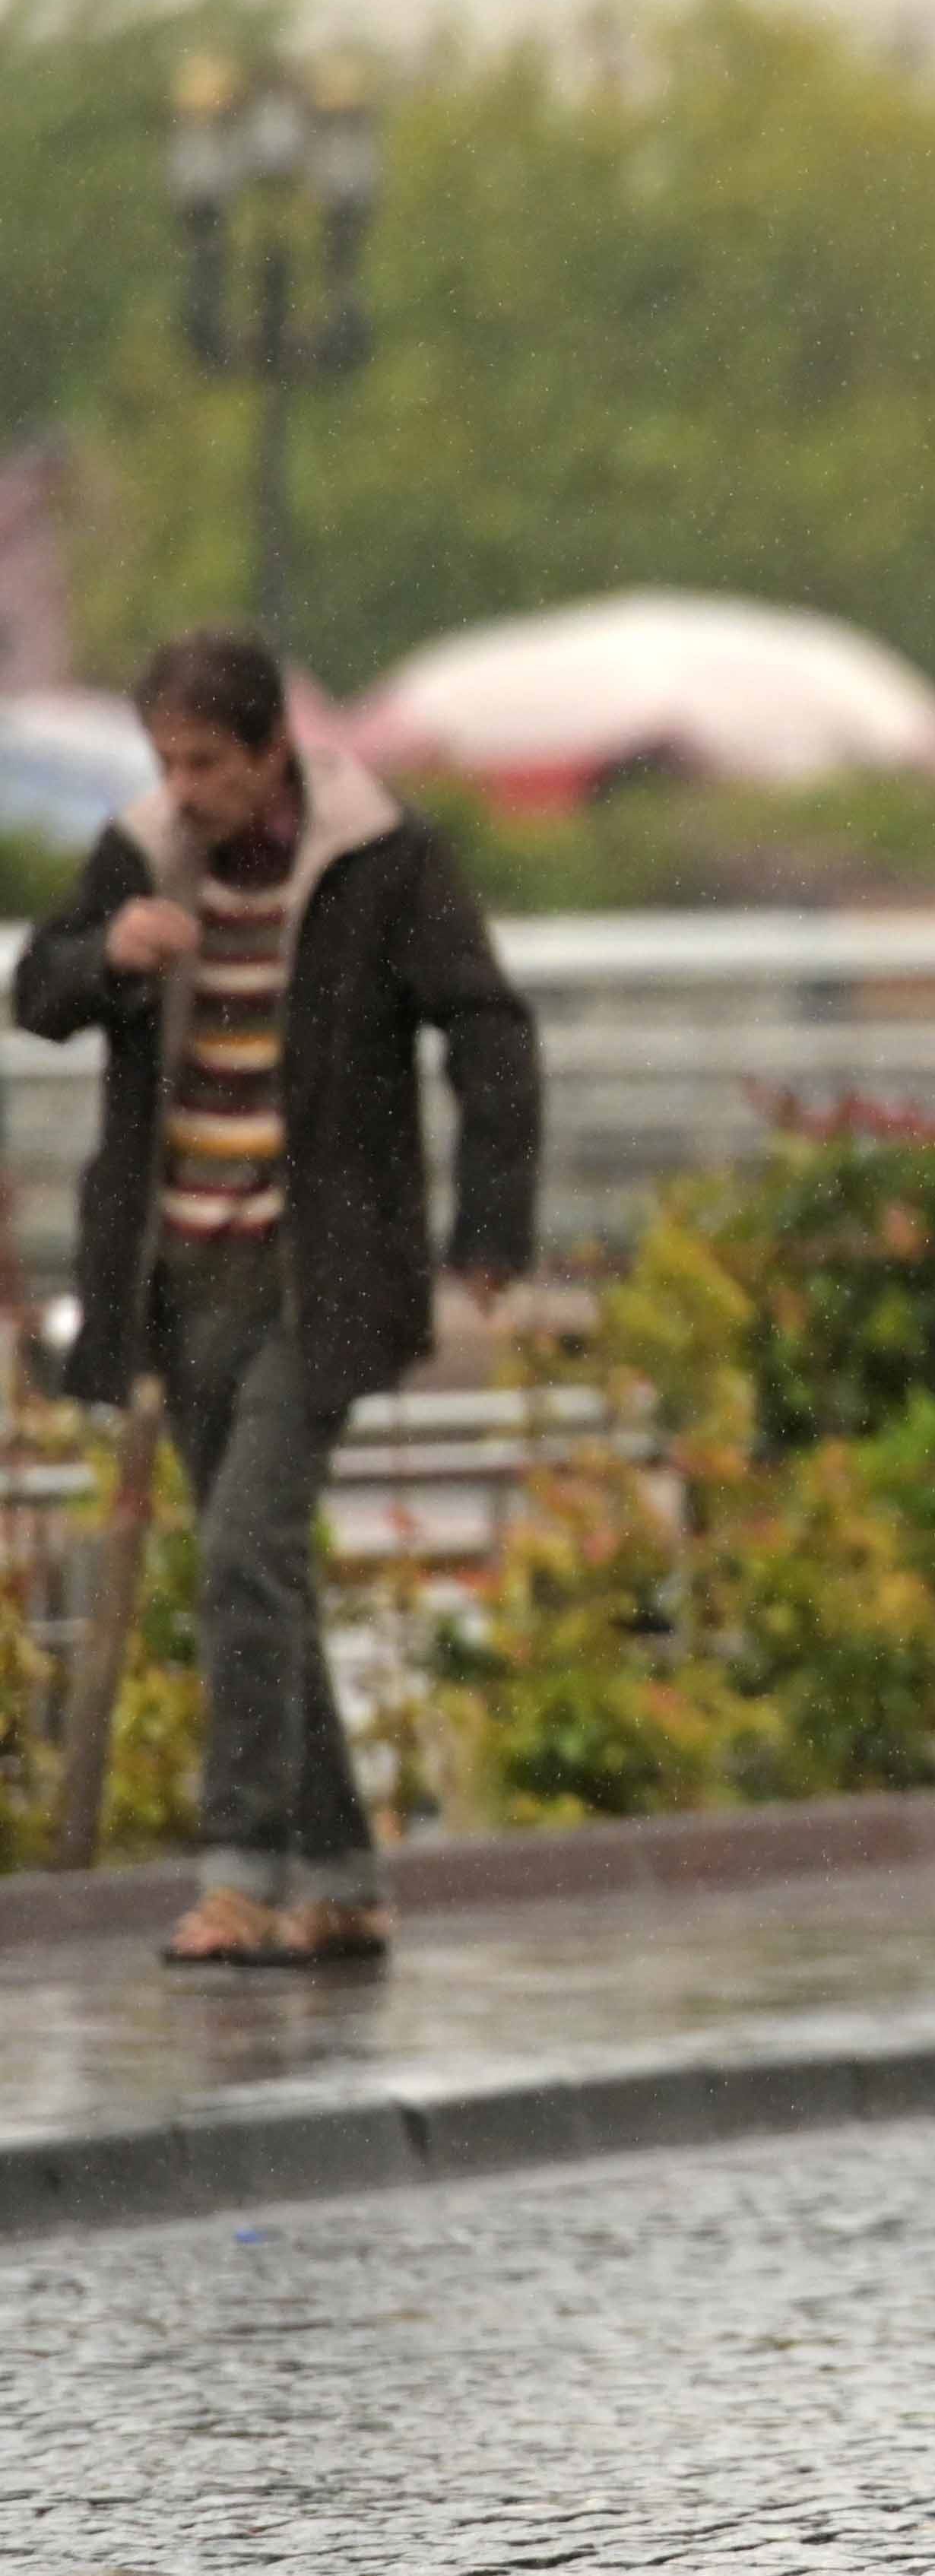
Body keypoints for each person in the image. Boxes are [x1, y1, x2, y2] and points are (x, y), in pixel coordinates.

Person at [13, 631, 537, 1968]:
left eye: (205, 763)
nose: (182, 788)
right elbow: (39, 993)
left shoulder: (383, 861)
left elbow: (488, 1027)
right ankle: (345, 1875)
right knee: (259, 1572)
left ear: (268, 754)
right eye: (165, 761)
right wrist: (112, 954)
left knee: (246, 1543)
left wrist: (490, 1225)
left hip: (324, 1276)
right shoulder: (142, 851)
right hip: (175, 1275)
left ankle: (240, 1871)